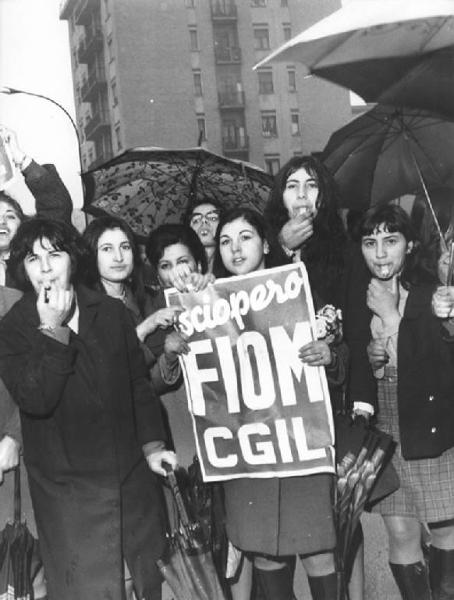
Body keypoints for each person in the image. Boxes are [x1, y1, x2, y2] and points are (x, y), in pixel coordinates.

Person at [0, 218, 177, 600]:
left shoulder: (110, 312)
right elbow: (36, 398)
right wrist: (52, 331)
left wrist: (153, 446)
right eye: (33, 258)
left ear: (74, 260)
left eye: (55, 254)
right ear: (23, 268)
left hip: (130, 481)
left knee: (143, 583)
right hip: (69, 495)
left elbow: (137, 387)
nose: (45, 267)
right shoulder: (13, 327)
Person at [212, 207, 347, 600]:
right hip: (249, 457)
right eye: (225, 241)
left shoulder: (296, 289)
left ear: (267, 243)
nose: (235, 249)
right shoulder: (206, 307)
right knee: (267, 554)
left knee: (319, 552)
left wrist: (330, 354)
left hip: (299, 446)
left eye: (245, 237)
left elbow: (342, 353)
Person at [346, 204, 454, 600]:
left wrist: (393, 319)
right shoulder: (356, 300)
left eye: (391, 241)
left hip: (429, 421)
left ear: (409, 246)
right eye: (370, 242)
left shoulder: (431, 296)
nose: (379, 253)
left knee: (445, 527)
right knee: (401, 530)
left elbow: (439, 367)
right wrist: (372, 364)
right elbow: (353, 364)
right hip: (386, 426)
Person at [82, 216, 188, 394]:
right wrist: (145, 328)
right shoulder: (83, 308)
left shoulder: (147, 299)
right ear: (92, 254)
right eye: (107, 249)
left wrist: (169, 358)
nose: (118, 257)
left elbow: (147, 385)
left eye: (125, 247)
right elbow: (108, 377)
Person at [145, 223, 213, 465]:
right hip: (182, 423)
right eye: (166, 266)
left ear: (199, 264)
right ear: (157, 273)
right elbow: (150, 382)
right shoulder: (152, 311)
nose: (175, 272)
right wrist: (169, 355)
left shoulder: (218, 292)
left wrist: (208, 289)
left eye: (182, 261)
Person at [184, 197, 222, 273]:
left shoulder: (232, 264)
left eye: (212, 218)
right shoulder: (183, 265)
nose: (204, 222)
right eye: (196, 220)